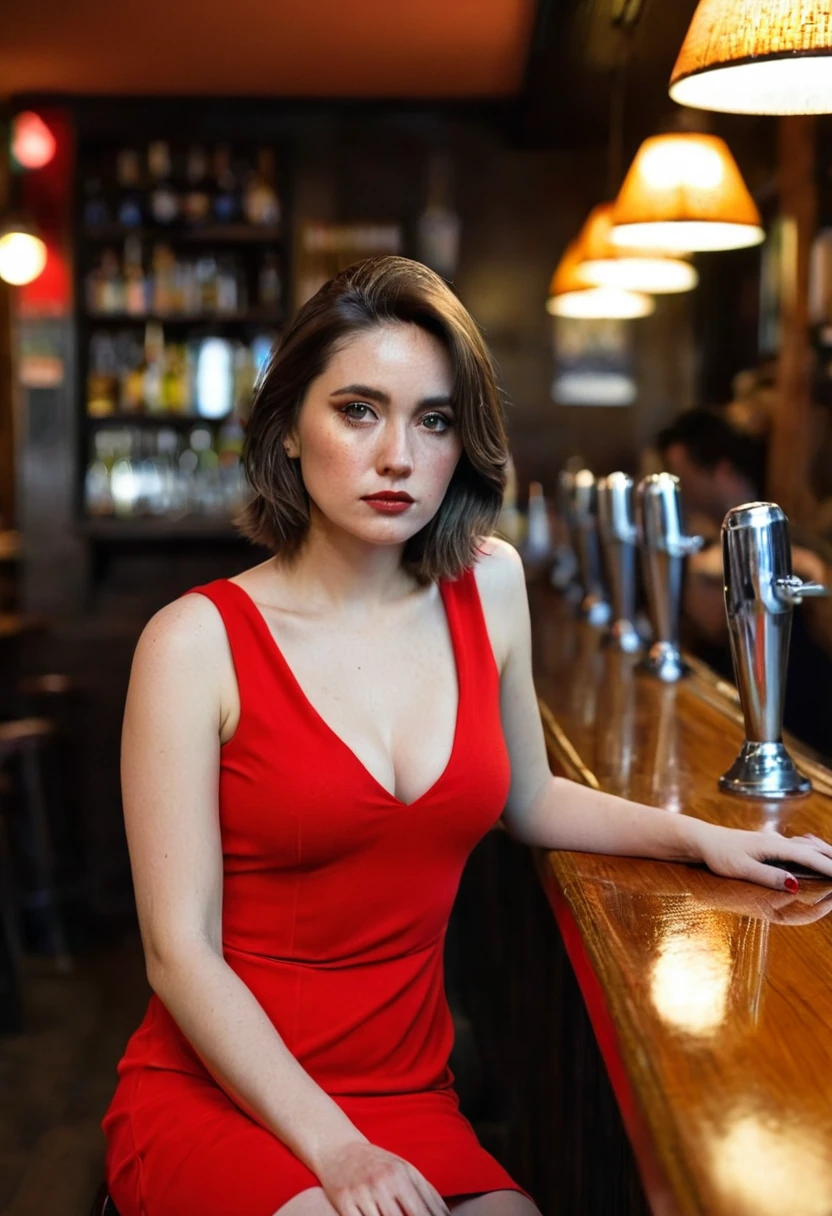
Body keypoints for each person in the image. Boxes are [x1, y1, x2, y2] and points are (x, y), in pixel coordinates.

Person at [102, 260, 832, 1216]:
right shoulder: (192, 644)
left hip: (408, 1094)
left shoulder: (489, 584)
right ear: (286, 428)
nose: (398, 454)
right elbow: (180, 955)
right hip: (227, 1094)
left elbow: (525, 796)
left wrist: (702, 837)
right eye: (358, 410)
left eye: (433, 420)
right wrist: (338, 1154)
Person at [657, 408, 832, 759]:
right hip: (736, 718)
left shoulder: (795, 541)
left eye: (684, 478)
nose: (682, 491)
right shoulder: (703, 540)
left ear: (721, 471)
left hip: (801, 734)